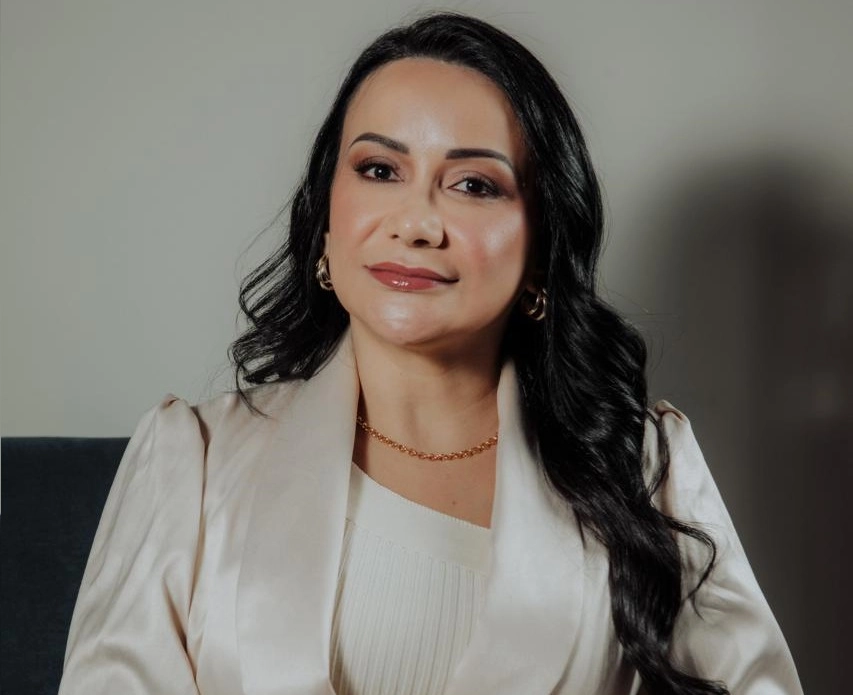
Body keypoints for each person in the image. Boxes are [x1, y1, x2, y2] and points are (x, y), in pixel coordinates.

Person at [59, 12, 803, 695]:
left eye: (474, 184)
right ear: (326, 220)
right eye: (379, 170)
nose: (416, 223)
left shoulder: (644, 468)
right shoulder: (193, 461)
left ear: (541, 247)